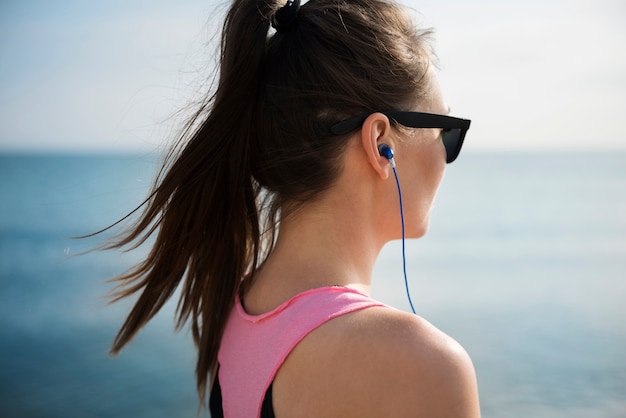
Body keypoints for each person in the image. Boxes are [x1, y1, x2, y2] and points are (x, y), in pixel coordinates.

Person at [105, 0, 480, 416]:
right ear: (380, 143)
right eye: (445, 131)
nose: (446, 155)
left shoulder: (238, 307)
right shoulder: (424, 364)